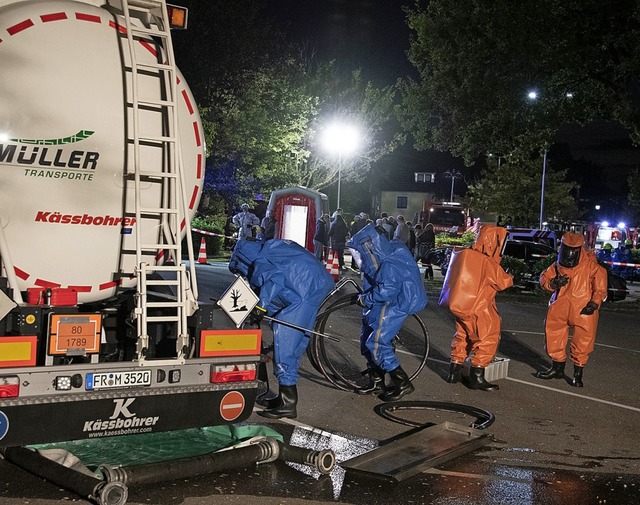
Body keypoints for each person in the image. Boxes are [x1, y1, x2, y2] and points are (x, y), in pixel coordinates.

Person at [228, 238, 335, 419]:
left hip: (302, 296)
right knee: (295, 343)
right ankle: (283, 398)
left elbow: (274, 281)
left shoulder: (261, 260)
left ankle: (288, 403)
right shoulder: (272, 247)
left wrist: (260, 307)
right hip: (313, 288)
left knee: (284, 345)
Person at [347, 223, 427, 401]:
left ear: (369, 248)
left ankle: (402, 382)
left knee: (377, 343)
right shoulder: (391, 251)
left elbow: (386, 290)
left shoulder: (389, 263)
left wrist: (365, 299)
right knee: (367, 337)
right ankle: (377, 381)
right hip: (388, 301)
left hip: (395, 303)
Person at [439, 225, 513, 391]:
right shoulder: (485, 261)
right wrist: (510, 274)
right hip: (479, 307)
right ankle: (476, 377)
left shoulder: (462, 254)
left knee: (462, 337)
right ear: (493, 242)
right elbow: (503, 282)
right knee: (487, 338)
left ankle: (454, 371)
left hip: (460, 306)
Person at [536, 232, 608, 387]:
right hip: (559, 306)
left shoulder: (591, 266)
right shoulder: (557, 265)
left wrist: (594, 303)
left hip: (583, 309)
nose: (568, 254)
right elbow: (544, 278)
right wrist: (554, 283)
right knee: (554, 336)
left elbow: (600, 288)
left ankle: (577, 374)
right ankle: (557, 368)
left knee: (583, 341)